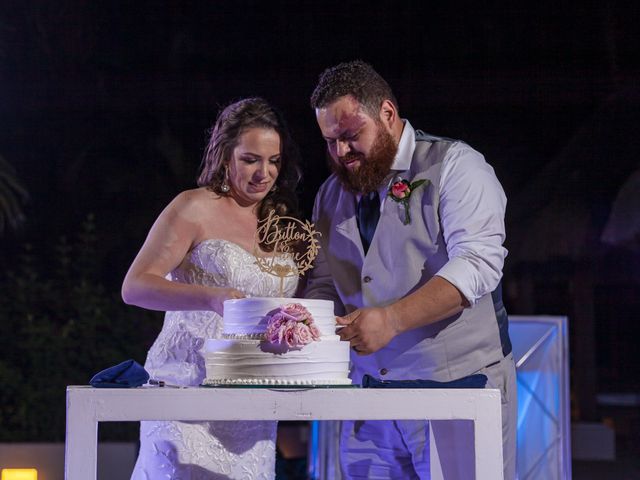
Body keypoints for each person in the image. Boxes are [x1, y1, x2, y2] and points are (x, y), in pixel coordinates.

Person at [304, 60, 516, 479]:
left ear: (386, 113)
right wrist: (305, 323)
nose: (340, 153)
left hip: (458, 391)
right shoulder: (330, 194)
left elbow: (478, 264)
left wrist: (392, 319)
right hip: (368, 401)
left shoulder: (457, 165)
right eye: (330, 141)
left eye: (350, 136)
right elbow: (326, 284)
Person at [122, 97, 301, 479]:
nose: (263, 173)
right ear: (225, 156)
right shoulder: (193, 207)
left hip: (250, 404)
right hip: (186, 393)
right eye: (251, 159)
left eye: (274, 161)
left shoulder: (280, 221)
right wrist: (209, 297)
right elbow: (135, 287)